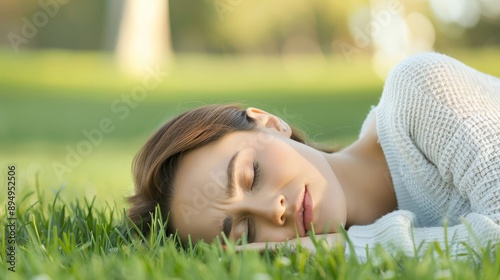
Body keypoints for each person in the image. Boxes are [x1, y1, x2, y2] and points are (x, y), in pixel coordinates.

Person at [127, 52, 500, 261]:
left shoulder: (421, 91)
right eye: (245, 232)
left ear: (270, 123)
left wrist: (348, 246)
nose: (273, 211)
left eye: (251, 174)